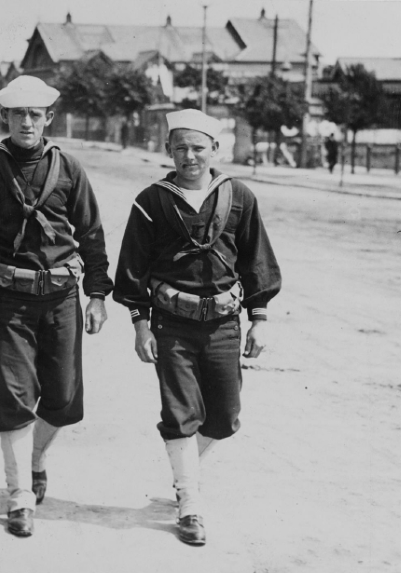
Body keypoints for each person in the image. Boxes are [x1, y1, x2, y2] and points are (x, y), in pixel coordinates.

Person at [0, 75, 114, 538]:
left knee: (61, 399)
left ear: (48, 119)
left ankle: (38, 456)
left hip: (62, 297)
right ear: (5, 117)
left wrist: (98, 294)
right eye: (17, 113)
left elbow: (93, 235)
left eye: (34, 114)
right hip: (10, 300)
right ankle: (19, 494)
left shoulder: (70, 169)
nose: (26, 121)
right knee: (14, 398)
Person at [112, 109, 282, 546]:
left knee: (224, 418)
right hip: (172, 324)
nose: (190, 156)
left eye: (198, 147)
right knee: (181, 412)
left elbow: (256, 261)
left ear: (215, 150)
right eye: (181, 148)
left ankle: (184, 476)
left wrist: (258, 319)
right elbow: (132, 268)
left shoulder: (238, 195)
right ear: (168, 150)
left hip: (224, 323)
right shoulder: (151, 201)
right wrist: (140, 325)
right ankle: (190, 503)